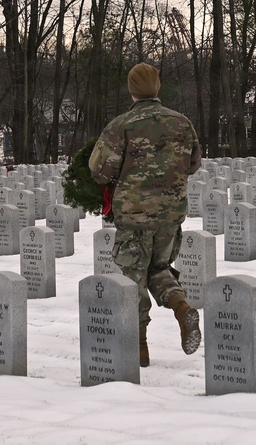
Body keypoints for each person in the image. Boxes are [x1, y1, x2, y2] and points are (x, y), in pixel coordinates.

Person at [88, 62, 202, 366]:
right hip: (170, 214)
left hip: (135, 216)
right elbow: (193, 164)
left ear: (132, 90)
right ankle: (181, 306)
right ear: (157, 87)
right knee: (158, 268)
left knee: (133, 275)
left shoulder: (122, 125)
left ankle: (139, 345)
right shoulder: (182, 123)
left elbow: (99, 170)